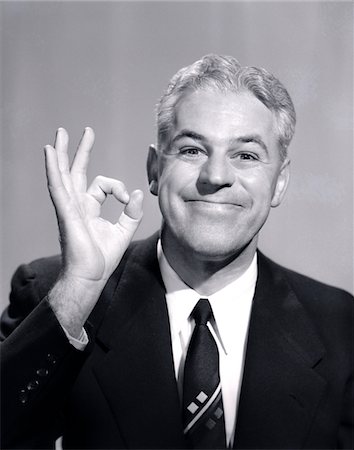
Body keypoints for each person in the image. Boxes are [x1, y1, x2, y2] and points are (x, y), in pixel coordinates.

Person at [1, 54, 353, 450]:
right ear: (154, 169)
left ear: (280, 182)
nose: (216, 176)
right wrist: (78, 292)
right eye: (191, 150)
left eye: (246, 155)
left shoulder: (341, 326)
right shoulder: (54, 296)